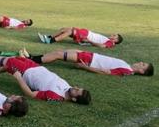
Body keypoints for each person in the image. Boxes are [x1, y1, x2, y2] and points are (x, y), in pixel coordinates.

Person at [0, 56, 91, 104]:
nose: (75, 88)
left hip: (26, 72)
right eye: (78, 88)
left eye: (77, 91)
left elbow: (31, 94)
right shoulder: (68, 89)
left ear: (74, 99)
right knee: (10, 62)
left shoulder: (56, 96)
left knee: (1, 60)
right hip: (34, 66)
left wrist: (19, 78)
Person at [20, 48, 153, 77]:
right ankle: (32, 57)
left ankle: (30, 60)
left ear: (141, 71)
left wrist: (85, 67)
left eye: (143, 65)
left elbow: (106, 72)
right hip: (91, 55)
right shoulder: (127, 66)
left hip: (90, 60)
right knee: (60, 51)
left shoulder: (127, 71)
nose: (141, 62)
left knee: (59, 55)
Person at [38, 27, 121, 48]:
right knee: (65, 29)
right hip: (85, 33)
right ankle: (48, 37)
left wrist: (89, 41)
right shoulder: (108, 39)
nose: (112, 35)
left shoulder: (111, 43)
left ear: (116, 40)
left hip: (86, 36)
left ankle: (50, 41)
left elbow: (102, 46)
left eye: (114, 36)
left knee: (69, 31)